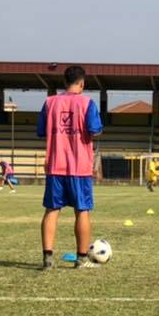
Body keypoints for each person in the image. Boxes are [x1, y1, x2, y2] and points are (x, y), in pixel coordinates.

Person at [37, 64, 103, 269]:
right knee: (82, 211)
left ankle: (48, 258)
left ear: (65, 83)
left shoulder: (50, 103)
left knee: (51, 210)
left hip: (55, 165)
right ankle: (81, 258)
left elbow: (41, 131)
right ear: (82, 83)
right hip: (79, 168)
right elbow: (95, 130)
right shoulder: (87, 103)